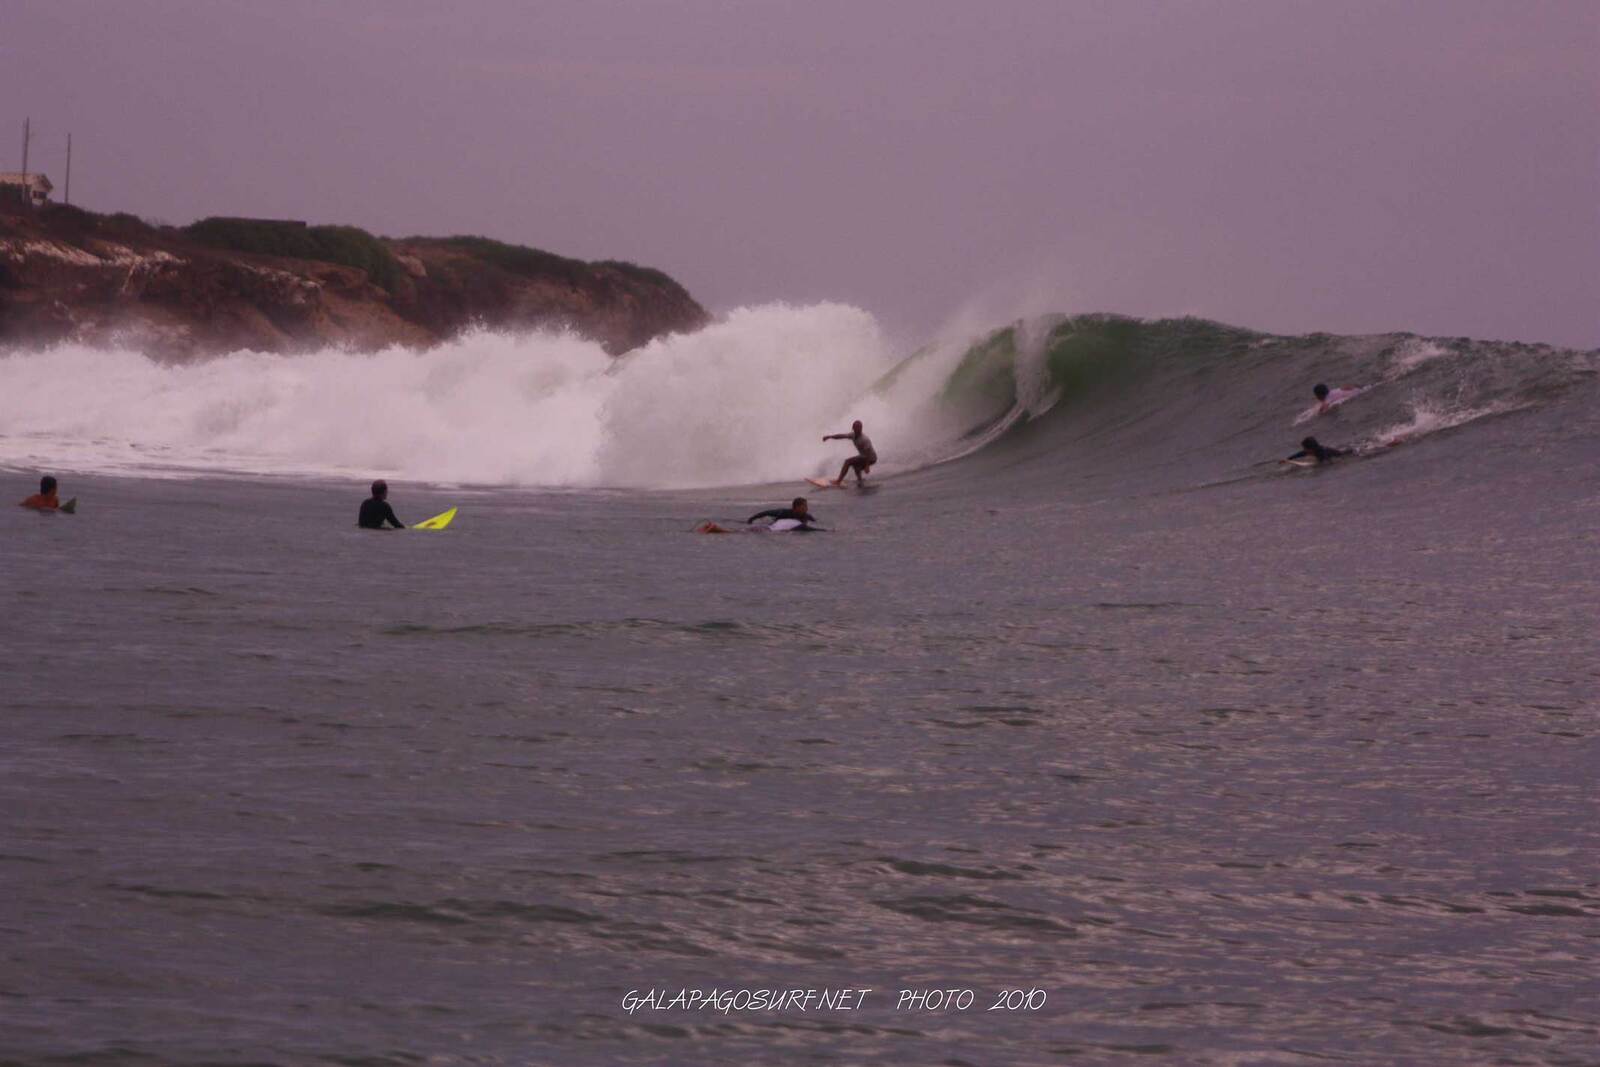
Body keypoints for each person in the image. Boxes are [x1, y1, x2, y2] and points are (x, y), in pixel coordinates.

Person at [823, 420, 877, 485]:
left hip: (871, 458)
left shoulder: (864, 439)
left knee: (848, 462)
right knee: (856, 466)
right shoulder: (853, 435)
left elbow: (868, 453)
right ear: (853, 428)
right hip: (864, 456)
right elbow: (842, 436)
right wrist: (830, 437)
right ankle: (860, 481)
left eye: (859, 428)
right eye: (856, 428)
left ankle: (838, 481)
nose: (857, 429)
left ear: (861, 428)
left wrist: (867, 465)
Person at [747, 497, 820, 529]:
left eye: (806, 506)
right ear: (796, 507)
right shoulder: (784, 513)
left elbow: (816, 524)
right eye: (804, 507)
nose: (807, 508)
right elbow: (767, 512)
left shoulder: (807, 516)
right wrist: (752, 519)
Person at [1283, 436, 1350, 465]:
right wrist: (1287, 459)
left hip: (1342, 455)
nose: (1304, 450)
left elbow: (1328, 462)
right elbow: (1299, 454)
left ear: (1311, 448)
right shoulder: (1312, 450)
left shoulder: (1322, 452)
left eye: (1305, 448)